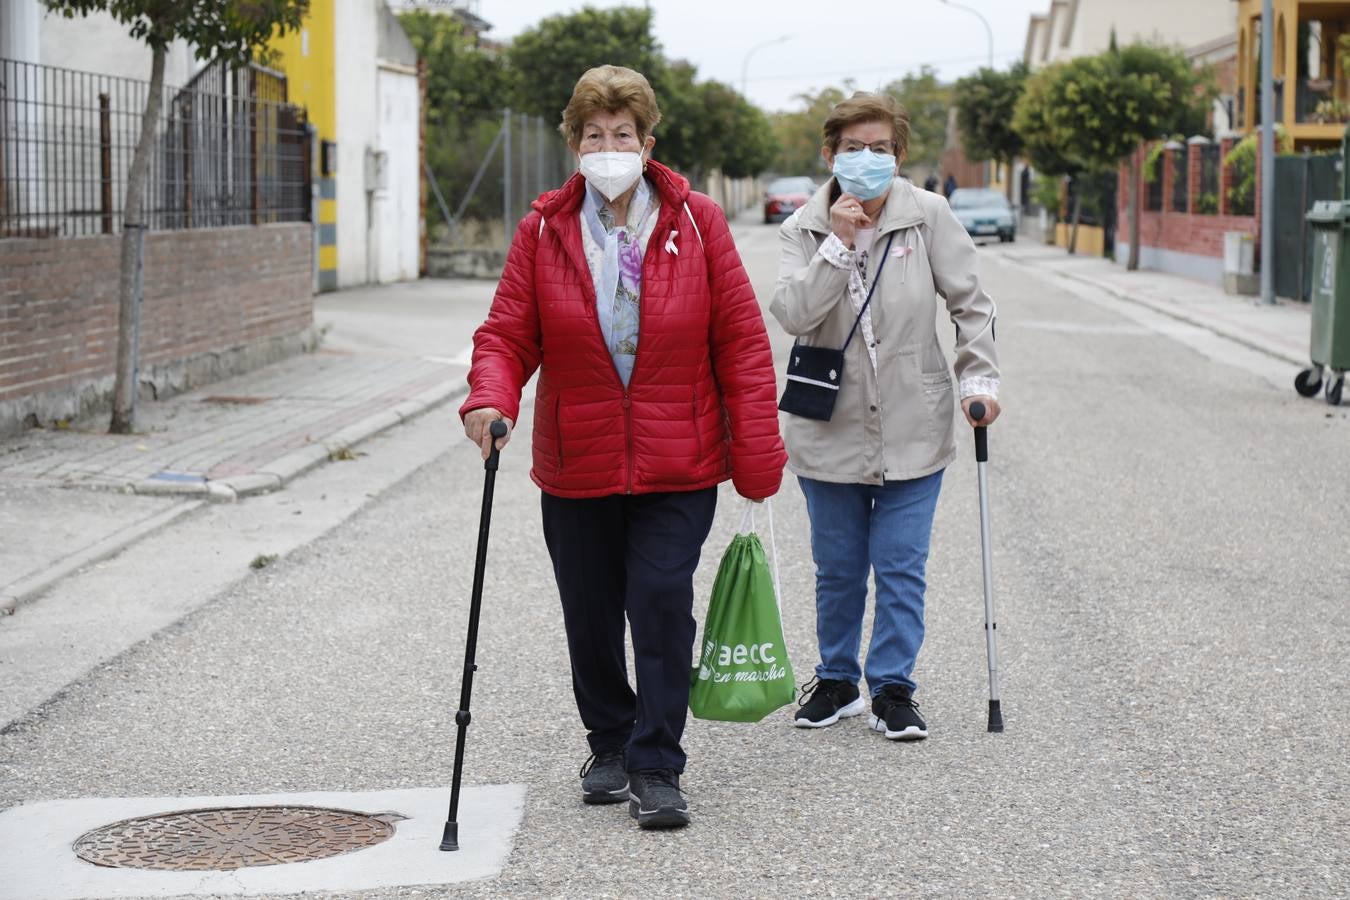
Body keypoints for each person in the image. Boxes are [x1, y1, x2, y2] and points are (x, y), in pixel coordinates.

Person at [459, 65, 785, 829]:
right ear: (574, 144)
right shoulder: (544, 230)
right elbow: (508, 333)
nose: (609, 147)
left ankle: (657, 761)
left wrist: (756, 452)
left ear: (647, 143)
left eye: (624, 134)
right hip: (579, 459)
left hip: (680, 458)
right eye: (595, 135)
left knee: (662, 604)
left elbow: (740, 342)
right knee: (591, 611)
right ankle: (609, 738)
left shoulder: (699, 222)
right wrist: (489, 397)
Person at [769, 91, 1000, 742]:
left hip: (913, 421)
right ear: (829, 153)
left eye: (881, 149)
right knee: (838, 566)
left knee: (900, 564)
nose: (866, 159)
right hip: (829, 424)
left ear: (899, 157)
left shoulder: (929, 216)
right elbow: (793, 313)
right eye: (852, 148)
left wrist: (977, 379)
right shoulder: (803, 228)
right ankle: (837, 679)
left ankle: (893, 687)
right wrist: (837, 247)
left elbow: (971, 306)